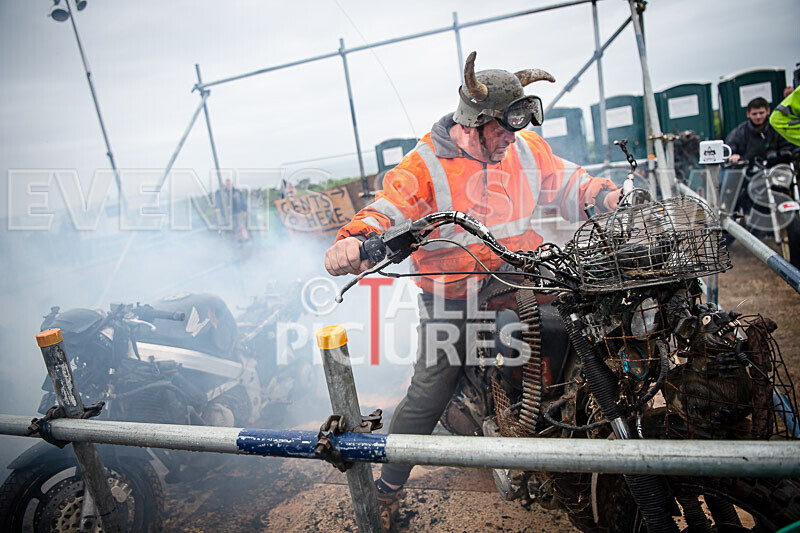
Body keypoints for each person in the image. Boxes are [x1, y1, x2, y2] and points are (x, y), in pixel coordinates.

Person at [324, 51, 620, 531]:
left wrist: (604, 196)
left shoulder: (522, 148)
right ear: (474, 121)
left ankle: (556, 422)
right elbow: (388, 207)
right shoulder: (425, 164)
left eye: (515, 130)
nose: (511, 139)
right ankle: (388, 487)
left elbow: (566, 182)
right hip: (454, 291)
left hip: (518, 274)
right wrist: (355, 242)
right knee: (432, 388)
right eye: (502, 130)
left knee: (577, 322)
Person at [726, 97, 792, 163]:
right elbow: (728, 149)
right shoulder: (739, 132)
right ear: (748, 114)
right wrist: (733, 155)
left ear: (768, 111)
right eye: (754, 114)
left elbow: (789, 147)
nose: (758, 117)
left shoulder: (777, 129)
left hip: (776, 169)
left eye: (761, 113)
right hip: (748, 170)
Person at [215, 179, 249, 243]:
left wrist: (244, 210)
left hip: (238, 212)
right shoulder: (224, 193)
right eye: (227, 184)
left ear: (231, 184)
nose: (228, 185)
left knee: (242, 226)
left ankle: (246, 239)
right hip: (230, 214)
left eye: (229, 184)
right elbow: (221, 202)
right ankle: (239, 241)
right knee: (235, 228)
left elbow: (243, 201)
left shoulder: (237, 192)